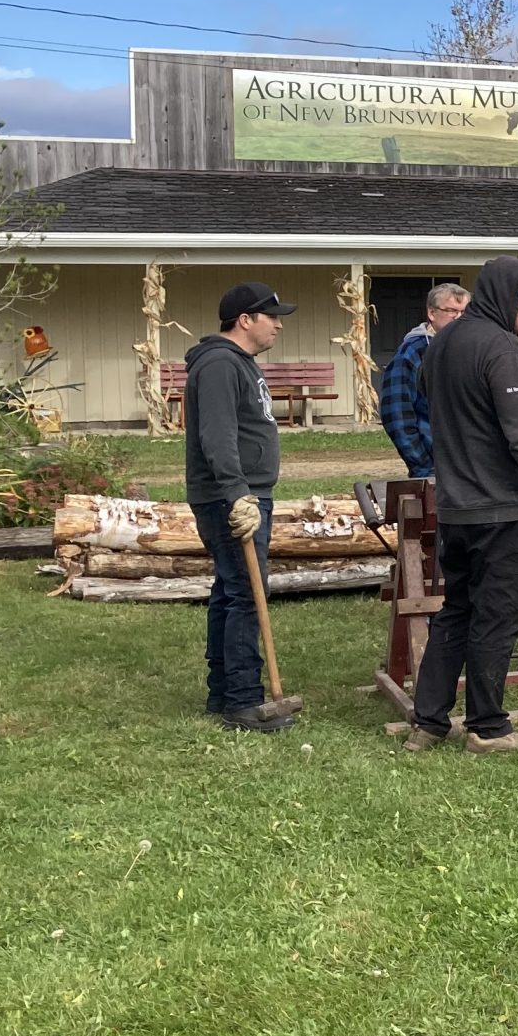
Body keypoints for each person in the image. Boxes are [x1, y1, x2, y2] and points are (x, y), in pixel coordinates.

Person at [404, 257, 518, 754]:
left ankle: (429, 722)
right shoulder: (504, 350)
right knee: (497, 616)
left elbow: (426, 397)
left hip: (455, 508)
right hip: (502, 511)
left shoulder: (440, 346)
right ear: (503, 295)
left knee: (456, 611)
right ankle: (487, 727)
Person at [183, 282, 304, 733]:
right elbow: (216, 436)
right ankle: (243, 701)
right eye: (271, 316)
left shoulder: (238, 364)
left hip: (242, 492)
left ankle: (223, 693)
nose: (277, 324)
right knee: (245, 595)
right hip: (232, 498)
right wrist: (237, 494)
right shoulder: (218, 364)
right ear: (244, 320)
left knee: (230, 590)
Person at [378, 280, 468, 478]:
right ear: (432, 313)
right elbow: (396, 415)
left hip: (471, 466)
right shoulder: (412, 353)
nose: (459, 318)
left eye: (464, 312)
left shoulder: (470, 350)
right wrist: (424, 465)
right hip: (436, 467)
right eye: (452, 311)